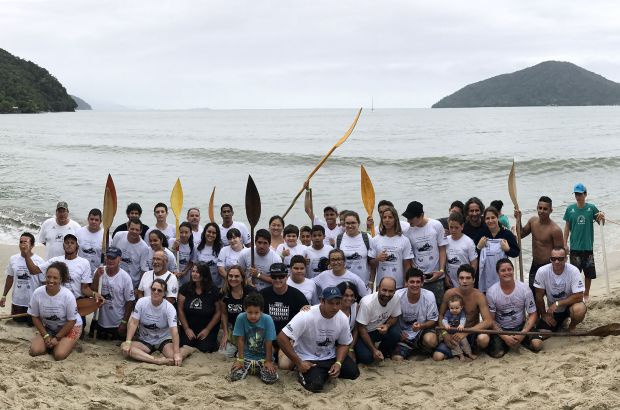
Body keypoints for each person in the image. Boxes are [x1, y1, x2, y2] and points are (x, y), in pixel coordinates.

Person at [278, 286, 360, 392]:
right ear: (322, 301)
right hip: (308, 358)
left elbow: (344, 343)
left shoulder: (342, 318)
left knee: (353, 373)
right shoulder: (306, 315)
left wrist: (338, 363)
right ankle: (302, 370)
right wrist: (299, 362)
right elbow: (281, 337)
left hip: (330, 356)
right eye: (331, 303)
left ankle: (323, 373)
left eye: (338, 303)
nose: (335, 307)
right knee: (314, 386)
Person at [121, 278, 194, 366]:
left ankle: (187, 349)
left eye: (159, 290)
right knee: (124, 347)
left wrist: (177, 353)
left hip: (163, 339)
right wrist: (128, 342)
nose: (156, 292)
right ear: (150, 290)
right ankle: (155, 360)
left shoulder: (169, 308)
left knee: (174, 358)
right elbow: (133, 323)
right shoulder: (141, 302)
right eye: (153, 289)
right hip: (145, 339)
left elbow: (174, 331)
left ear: (164, 293)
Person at [433, 265, 493, 361]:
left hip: (470, 333)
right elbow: (441, 315)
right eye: (461, 278)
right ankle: (458, 353)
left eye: (468, 278)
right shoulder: (449, 294)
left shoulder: (479, 296)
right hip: (451, 333)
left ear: (473, 280)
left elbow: (488, 321)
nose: (464, 281)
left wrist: (466, 332)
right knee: (437, 357)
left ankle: (469, 351)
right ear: (458, 280)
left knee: (483, 339)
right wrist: (444, 334)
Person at [486, 258, 542, 358]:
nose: (507, 272)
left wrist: (523, 333)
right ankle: (507, 343)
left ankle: (521, 340)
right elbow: (491, 320)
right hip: (502, 328)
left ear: (513, 270)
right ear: (497, 273)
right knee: (497, 354)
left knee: (537, 345)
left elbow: (533, 314)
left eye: (509, 269)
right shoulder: (491, 292)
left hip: (521, 326)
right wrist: (505, 337)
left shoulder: (524, 289)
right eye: (503, 270)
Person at [28, 261, 82, 360]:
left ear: (61, 279)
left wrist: (57, 338)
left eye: (55, 278)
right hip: (50, 328)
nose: (51, 280)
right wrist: (45, 336)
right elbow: (34, 316)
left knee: (59, 355)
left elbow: (72, 321)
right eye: (48, 277)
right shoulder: (38, 293)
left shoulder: (68, 296)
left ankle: (65, 343)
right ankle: (52, 344)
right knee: (34, 351)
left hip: (70, 327)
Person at [24, 234, 100, 304]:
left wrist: (94, 294)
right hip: (58, 303)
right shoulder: (55, 260)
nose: (69, 245)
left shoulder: (84, 263)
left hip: (77, 303)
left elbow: (84, 288)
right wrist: (27, 254)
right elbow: (33, 270)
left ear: (77, 246)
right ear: (63, 246)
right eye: (67, 243)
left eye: (72, 243)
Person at [259, 263, 308, 368]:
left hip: (287, 339)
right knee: (260, 361)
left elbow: (307, 319)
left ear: (287, 277)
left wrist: (295, 338)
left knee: (285, 366)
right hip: (268, 338)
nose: (277, 280)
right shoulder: (263, 294)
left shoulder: (297, 295)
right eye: (274, 277)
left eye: (281, 276)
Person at [563, 183, 604, 302]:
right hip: (575, 247)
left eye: (580, 194)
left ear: (585, 194)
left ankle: (586, 294)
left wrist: (602, 216)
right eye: (576, 194)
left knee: (588, 272)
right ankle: (576, 293)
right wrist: (565, 244)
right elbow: (566, 227)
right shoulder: (570, 209)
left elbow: (601, 222)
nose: (578, 196)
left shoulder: (591, 208)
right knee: (574, 273)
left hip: (588, 246)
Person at [515, 196, 564, 294]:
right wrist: (518, 219)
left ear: (551, 210)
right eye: (540, 208)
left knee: (551, 294)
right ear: (537, 208)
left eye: (545, 209)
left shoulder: (555, 229)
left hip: (549, 266)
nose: (541, 211)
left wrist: (557, 271)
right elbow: (521, 234)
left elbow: (561, 253)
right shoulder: (533, 221)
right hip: (535, 264)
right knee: (533, 293)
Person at [402, 201, 447, 305]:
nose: (408, 221)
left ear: (421, 215)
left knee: (439, 306)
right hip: (418, 279)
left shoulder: (436, 225)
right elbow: (408, 258)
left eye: (411, 218)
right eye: (407, 218)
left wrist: (441, 270)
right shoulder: (408, 231)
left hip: (437, 276)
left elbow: (442, 249)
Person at [534, 246, 587, 333]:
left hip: (570, 306)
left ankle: (572, 327)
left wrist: (558, 303)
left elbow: (579, 296)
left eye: (560, 259)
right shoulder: (542, 271)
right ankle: (561, 322)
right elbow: (539, 297)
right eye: (553, 259)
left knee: (579, 310)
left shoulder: (573, 271)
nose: (557, 261)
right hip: (554, 311)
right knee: (543, 332)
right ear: (550, 259)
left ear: (566, 259)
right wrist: (544, 315)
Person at [230, 292, 278, 384]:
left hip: (263, 358)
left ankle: (261, 369)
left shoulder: (267, 319)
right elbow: (240, 340)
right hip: (246, 357)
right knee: (235, 376)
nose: (253, 316)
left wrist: (268, 361)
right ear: (245, 310)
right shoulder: (241, 318)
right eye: (250, 312)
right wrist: (240, 360)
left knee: (270, 378)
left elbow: (269, 341)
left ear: (262, 310)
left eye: (256, 313)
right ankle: (247, 368)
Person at [393, 268, 439, 360]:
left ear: (422, 283)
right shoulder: (397, 295)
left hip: (422, 330)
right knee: (397, 358)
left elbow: (433, 320)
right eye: (412, 282)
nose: (415, 285)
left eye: (418, 282)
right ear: (406, 283)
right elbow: (392, 318)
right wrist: (398, 332)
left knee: (431, 340)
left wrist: (421, 326)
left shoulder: (429, 296)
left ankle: (421, 348)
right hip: (404, 334)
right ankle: (412, 348)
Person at [91, 247, 135, 340]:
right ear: (105, 257)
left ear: (120, 259)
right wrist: (97, 276)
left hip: (117, 322)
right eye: (109, 257)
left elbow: (130, 301)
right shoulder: (99, 271)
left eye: (113, 258)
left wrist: (124, 322)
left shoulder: (125, 277)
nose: (110, 260)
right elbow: (93, 291)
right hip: (99, 320)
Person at [354, 277, 401, 364]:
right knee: (367, 359)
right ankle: (374, 350)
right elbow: (361, 328)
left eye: (391, 291)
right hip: (365, 332)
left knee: (396, 333)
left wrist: (387, 325)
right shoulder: (367, 303)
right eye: (384, 290)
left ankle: (382, 351)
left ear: (395, 291)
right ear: (378, 288)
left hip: (380, 329)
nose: (387, 294)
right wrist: (373, 350)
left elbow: (395, 316)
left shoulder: (396, 298)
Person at [177, 263, 222, 353]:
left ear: (204, 274)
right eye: (193, 271)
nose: (194, 274)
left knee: (204, 348)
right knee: (185, 344)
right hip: (189, 326)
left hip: (207, 327)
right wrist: (186, 329)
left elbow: (218, 312)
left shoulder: (214, 290)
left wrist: (207, 329)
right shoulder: (185, 288)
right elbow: (180, 309)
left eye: (198, 272)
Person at [2, 233, 45, 323]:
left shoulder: (39, 260)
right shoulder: (13, 259)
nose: (22, 244)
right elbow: (10, 278)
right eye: (21, 242)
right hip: (17, 301)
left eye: (25, 242)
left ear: (32, 245)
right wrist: (4, 296)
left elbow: (44, 282)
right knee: (17, 321)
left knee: (32, 324)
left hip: (33, 302)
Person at [369, 206, 413, 289]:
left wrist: (406, 282)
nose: (387, 220)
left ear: (395, 219)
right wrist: (377, 259)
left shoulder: (404, 240)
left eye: (390, 217)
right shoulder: (375, 239)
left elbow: (407, 266)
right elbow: (371, 264)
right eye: (384, 217)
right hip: (381, 286)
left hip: (399, 285)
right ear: (382, 220)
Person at [477, 207, 520, 293]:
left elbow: (516, 253)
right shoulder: (482, 233)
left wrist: (507, 249)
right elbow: (473, 254)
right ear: (484, 220)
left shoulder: (507, 234)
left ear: (498, 218)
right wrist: (478, 247)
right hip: (486, 274)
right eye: (487, 218)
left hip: (503, 273)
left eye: (493, 217)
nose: (490, 220)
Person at [219, 265, 258, 357]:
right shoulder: (224, 292)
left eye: (236, 276)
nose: (233, 279)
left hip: (249, 329)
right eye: (230, 276)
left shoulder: (250, 292)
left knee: (243, 356)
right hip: (232, 330)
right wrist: (225, 334)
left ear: (242, 278)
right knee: (223, 354)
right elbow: (224, 314)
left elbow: (258, 314)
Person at [111, 218, 150, 289]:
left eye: (137, 230)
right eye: (132, 229)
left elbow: (143, 270)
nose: (134, 231)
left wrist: (138, 289)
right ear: (128, 228)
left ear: (141, 231)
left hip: (131, 285)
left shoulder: (144, 248)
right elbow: (110, 256)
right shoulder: (118, 236)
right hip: (114, 280)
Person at [336, 211, 372, 284]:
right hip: (344, 283)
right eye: (347, 223)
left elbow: (372, 263)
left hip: (363, 282)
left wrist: (371, 282)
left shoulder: (367, 238)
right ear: (344, 224)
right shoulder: (339, 238)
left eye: (353, 223)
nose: (350, 226)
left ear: (358, 223)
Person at [445, 212, 478, 288]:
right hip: (450, 281)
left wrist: (469, 280)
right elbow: (443, 260)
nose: (453, 230)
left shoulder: (468, 242)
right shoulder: (445, 241)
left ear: (462, 226)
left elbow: (474, 263)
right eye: (451, 227)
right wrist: (445, 276)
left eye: (456, 227)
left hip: (464, 282)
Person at [441, 295, 475, 360]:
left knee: (465, 342)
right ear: (449, 307)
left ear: (461, 307)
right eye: (452, 308)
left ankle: (469, 353)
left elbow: (463, 319)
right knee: (454, 344)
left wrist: (461, 325)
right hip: (451, 333)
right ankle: (461, 355)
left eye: (456, 308)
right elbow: (444, 320)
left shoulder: (461, 313)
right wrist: (446, 325)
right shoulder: (448, 313)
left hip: (459, 332)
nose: (454, 310)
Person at [76, 208, 105, 274]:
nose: (93, 221)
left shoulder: (105, 236)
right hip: (80, 270)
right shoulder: (79, 232)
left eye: (96, 220)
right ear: (88, 219)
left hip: (96, 273)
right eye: (91, 219)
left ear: (100, 221)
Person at [336, 281, 360, 359]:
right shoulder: (333, 309)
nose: (349, 298)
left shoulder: (356, 307)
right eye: (345, 295)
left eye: (352, 295)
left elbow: (356, 330)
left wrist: (351, 348)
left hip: (349, 341)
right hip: (334, 341)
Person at [195, 222, 223, 288]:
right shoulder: (197, 247)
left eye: (214, 233)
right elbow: (195, 266)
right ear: (205, 232)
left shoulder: (221, 248)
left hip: (217, 286)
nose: (211, 234)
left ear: (217, 235)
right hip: (201, 285)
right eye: (209, 232)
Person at [169, 221, 195, 286]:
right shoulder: (172, 241)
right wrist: (173, 248)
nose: (183, 235)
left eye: (186, 232)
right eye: (181, 232)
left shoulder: (193, 246)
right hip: (172, 274)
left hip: (185, 276)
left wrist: (183, 273)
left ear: (190, 233)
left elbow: (191, 262)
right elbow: (166, 257)